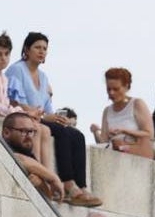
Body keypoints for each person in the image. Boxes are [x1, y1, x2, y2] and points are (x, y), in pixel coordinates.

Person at [6, 34, 100, 206]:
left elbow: (47, 108)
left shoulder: (43, 77)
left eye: (44, 49)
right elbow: (14, 101)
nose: (41, 52)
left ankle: (81, 186)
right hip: (25, 117)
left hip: (41, 118)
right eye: (37, 47)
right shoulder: (17, 69)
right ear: (26, 49)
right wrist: (44, 116)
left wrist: (58, 119)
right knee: (62, 133)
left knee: (77, 135)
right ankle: (68, 184)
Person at [91, 67, 154, 158]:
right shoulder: (107, 111)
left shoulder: (137, 104)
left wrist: (124, 131)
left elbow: (149, 134)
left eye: (116, 89)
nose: (111, 93)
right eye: (109, 89)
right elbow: (103, 142)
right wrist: (95, 132)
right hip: (114, 156)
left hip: (136, 156)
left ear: (126, 87)